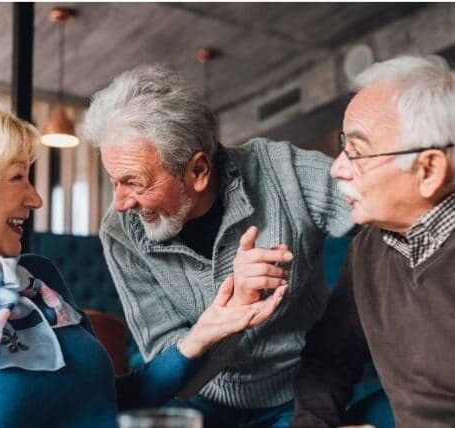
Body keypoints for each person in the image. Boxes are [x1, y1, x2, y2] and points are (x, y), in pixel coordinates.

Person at [0, 97, 286, 428]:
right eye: (18, 177)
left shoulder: (37, 277)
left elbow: (107, 402)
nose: (36, 200)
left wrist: (205, 331)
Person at [82, 64, 354, 427]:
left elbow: (383, 208)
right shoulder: (121, 232)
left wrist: (347, 315)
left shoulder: (283, 172)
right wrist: (232, 312)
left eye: (135, 183)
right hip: (198, 400)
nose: (120, 202)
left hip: (300, 393)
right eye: (114, 181)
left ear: (197, 171)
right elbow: (169, 361)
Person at [291, 54, 455, 427]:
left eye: (358, 153)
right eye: (342, 147)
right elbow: (327, 359)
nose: (336, 168)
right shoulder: (370, 247)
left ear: (428, 170)